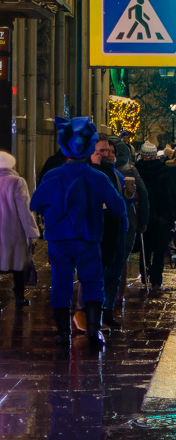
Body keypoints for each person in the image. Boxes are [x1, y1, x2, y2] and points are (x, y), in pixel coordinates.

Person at [30, 117, 127, 343]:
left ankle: (63, 333)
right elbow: (118, 206)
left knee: (61, 282)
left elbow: (36, 203)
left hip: (59, 238)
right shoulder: (98, 176)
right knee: (92, 281)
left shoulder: (53, 175)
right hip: (88, 235)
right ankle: (93, 330)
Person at [89, 136, 127, 326]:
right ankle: (94, 315)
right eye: (101, 151)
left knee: (115, 271)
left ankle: (106, 310)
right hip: (99, 229)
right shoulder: (94, 174)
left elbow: (121, 204)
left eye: (109, 151)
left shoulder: (115, 174)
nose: (107, 154)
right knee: (100, 272)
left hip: (117, 226)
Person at [0, 151, 37, 310]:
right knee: (18, 265)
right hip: (14, 232)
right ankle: (19, 297)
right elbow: (25, 210)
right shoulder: (17, 182)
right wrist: (32, 233)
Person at [113, 141, 148, 303]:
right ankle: (118, 293)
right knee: (123, 256)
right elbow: (143, 193)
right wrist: (143, 219)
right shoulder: (130, 170)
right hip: (127, 216)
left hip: (114, 217)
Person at [135, 142, 172, 291]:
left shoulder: (137, 170)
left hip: (144, 214)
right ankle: (157, 278)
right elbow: (170, 195)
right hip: (161, 216)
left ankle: (145, 273)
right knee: (159, 249)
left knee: (146, 247)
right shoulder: (163, 170)